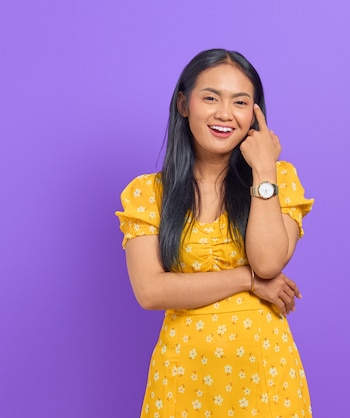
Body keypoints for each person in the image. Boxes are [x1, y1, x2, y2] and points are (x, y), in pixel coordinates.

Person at [115, 48, 314, 417]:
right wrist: (247, 280)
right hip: (182, 376)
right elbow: (150, 291)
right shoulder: (148, 193)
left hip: (265, 376)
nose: (225, 114)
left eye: (240, 102)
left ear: (255, 116)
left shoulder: (278, 178)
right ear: (183, 104)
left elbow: (268, 262)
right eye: (211, 98)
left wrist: (264, 172)